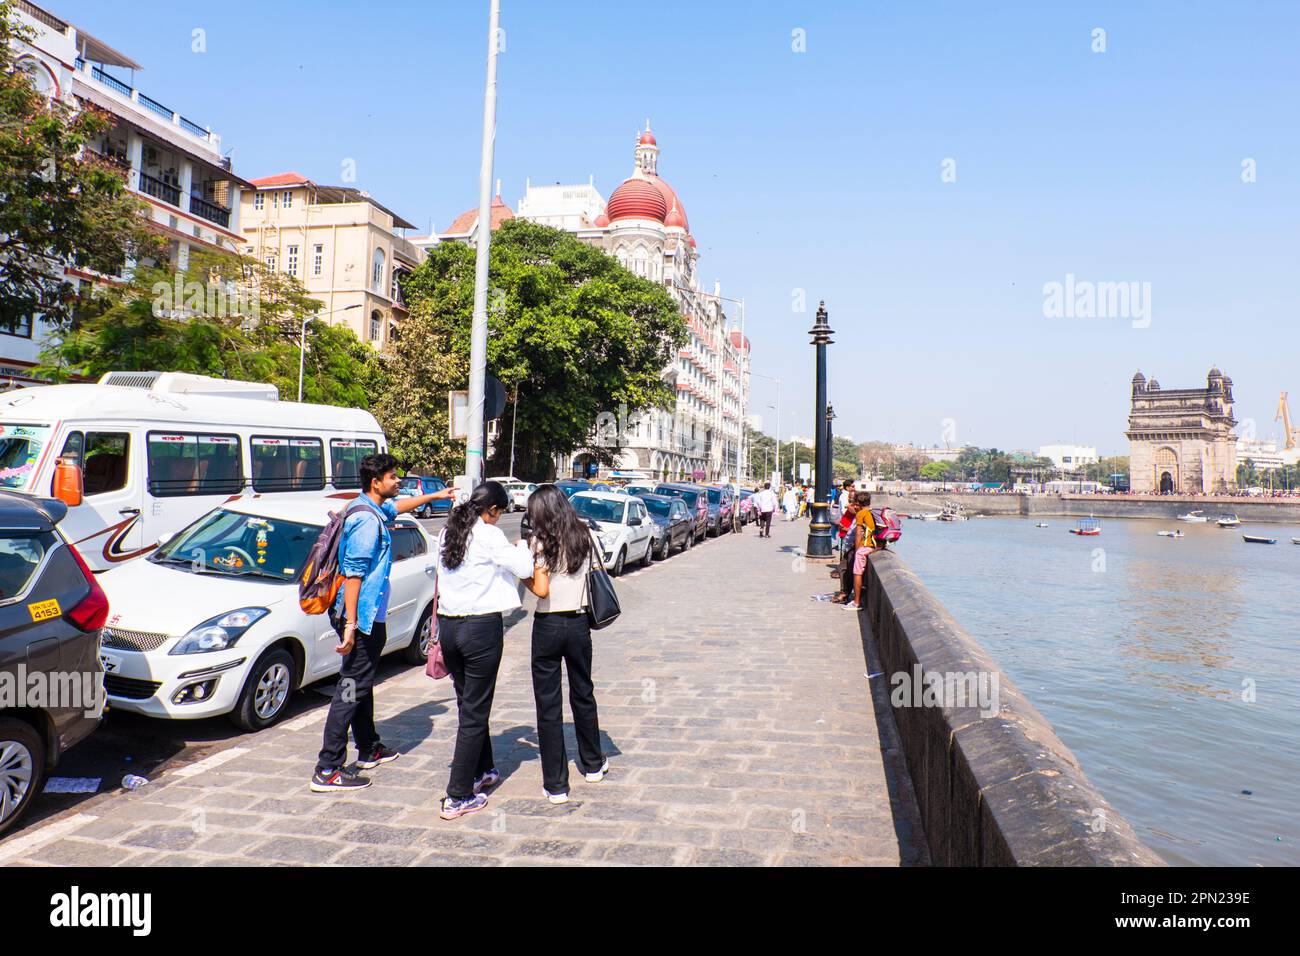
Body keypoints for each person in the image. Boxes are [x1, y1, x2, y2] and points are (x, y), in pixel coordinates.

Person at [311, 455, 456, 792]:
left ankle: (368, 746)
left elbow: (400, 506)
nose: (397, 482)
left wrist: (434, 497)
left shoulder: (372, 508)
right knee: (350, 687)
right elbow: (353, 574)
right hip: (359, 618)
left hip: (369, 615)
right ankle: (328, 767)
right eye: (392, 477)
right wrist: (350, 625)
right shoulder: (365, 521)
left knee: (362, 682)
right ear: (376, 482)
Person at [435, 481, 540, 820]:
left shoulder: (450, 531)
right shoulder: (490, 535)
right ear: (491, 509)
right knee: (475, 712)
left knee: (468, 703)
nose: (500, 516)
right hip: (480, 629)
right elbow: (524, 568)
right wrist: (521, 545)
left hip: (449, 627)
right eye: (500, 511)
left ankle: (484, 770)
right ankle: (458, 794)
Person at [522, 485, 608, 804]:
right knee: (583, 692)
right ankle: (593, 764)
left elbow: (541, 590)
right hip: (578, 624)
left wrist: (523, 577)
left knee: (548, 704)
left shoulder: (539, 541)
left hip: (547, 625)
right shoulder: (585, 535)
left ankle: (557, 784)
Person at [844, 492, 882, 612]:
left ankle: (856, 602)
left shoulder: (861, 514)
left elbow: (858, 533)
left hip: (866, 546)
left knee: (857, 573)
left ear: (857, 503)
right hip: (876, 545)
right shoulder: (871, 512)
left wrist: (856, 550)